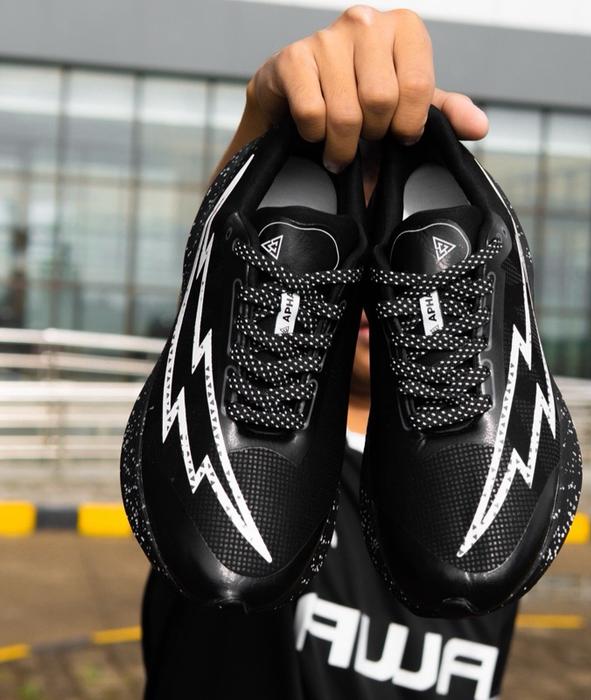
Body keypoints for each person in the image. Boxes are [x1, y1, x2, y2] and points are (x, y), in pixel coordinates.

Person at [141, 7, 517, 699]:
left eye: (393, 246)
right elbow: (214, 290)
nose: (371, 266)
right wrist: (266, 124)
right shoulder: (210, 458)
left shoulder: (491, 510)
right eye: (347, 241)